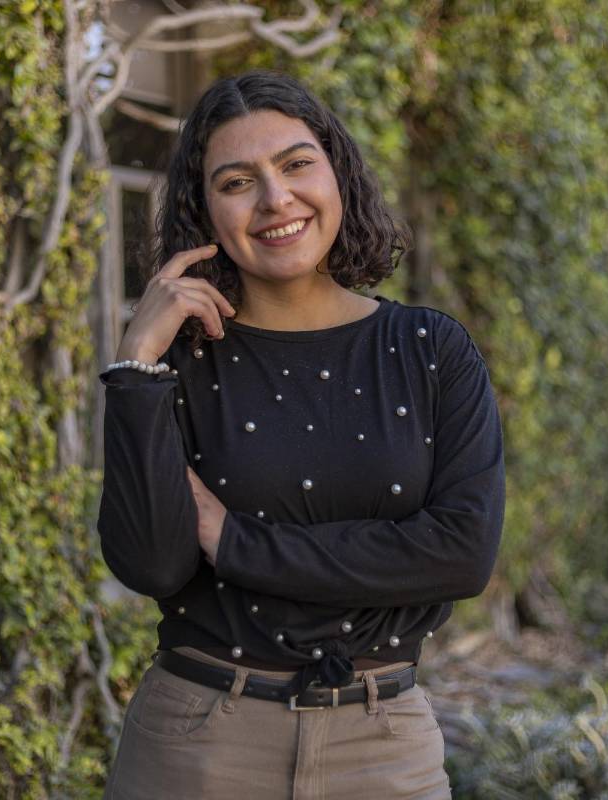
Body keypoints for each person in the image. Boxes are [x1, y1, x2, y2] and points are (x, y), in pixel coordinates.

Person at [97, 68, 505, 799]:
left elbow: (461, 555)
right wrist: (136, 367)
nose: (275, 199)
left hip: (384, 749)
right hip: (198, 745)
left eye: (295, 165)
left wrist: (234, 542)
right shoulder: (180, 365)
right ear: (205, 212)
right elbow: (154, 566)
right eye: (236, 181)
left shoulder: (431, 350)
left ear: (337, 173)